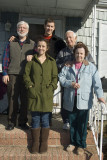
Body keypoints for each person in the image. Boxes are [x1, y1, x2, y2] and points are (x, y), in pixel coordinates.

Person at [58, 42, 105, 155]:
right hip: (71, 99)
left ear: (85, 54)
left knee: (82, 124)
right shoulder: (68, 66)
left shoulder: (91, 67)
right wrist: (71, 83)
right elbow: (61, 78)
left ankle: (81, 145)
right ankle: (73, 143)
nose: (79, 55)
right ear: (74, 54)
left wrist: (100, 96)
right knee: (73, 122)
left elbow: (97, 83)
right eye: (77, 53)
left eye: (81, 53)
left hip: (84, 100)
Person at [23, 38, 58, 154]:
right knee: (35, 119)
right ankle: (35, 143)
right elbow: (26, 76)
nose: (41, 48)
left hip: (46, 96)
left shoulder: (52, 62)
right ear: (36, 48)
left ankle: (43, 143)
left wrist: (52, 88)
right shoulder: (32, 61)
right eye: (39, 46)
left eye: (43, 46)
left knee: (45, 120)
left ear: (47, 48)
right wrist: (30, 87)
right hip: (34, 95)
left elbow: (55, 78)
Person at [56, 30, 94, 130]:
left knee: (82, 102)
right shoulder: (62, 52)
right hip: (68, 83)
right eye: (67, 38)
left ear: (75, 38)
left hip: (82, 83)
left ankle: (83, 122)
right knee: (66, 101)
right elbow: (57, 65)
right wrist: (64, 64)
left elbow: (92, 64)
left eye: (70, 37)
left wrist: (84, 61)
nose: (68, 40)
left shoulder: (83, 50)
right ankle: (67, 121)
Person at [2, 21, 35, 130]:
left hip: (26, 76)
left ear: (28, 30)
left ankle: (23, 122)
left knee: (25, 99)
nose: (21, 29)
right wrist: (5, 73)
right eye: (19, 27)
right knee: (12, 99)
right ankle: (11, 122)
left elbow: (37, 60)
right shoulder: (11, 43)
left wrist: (33, 57)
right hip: (12, 75)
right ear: (17, 29)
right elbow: (5, 58)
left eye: (24, 27)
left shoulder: (33, 44)